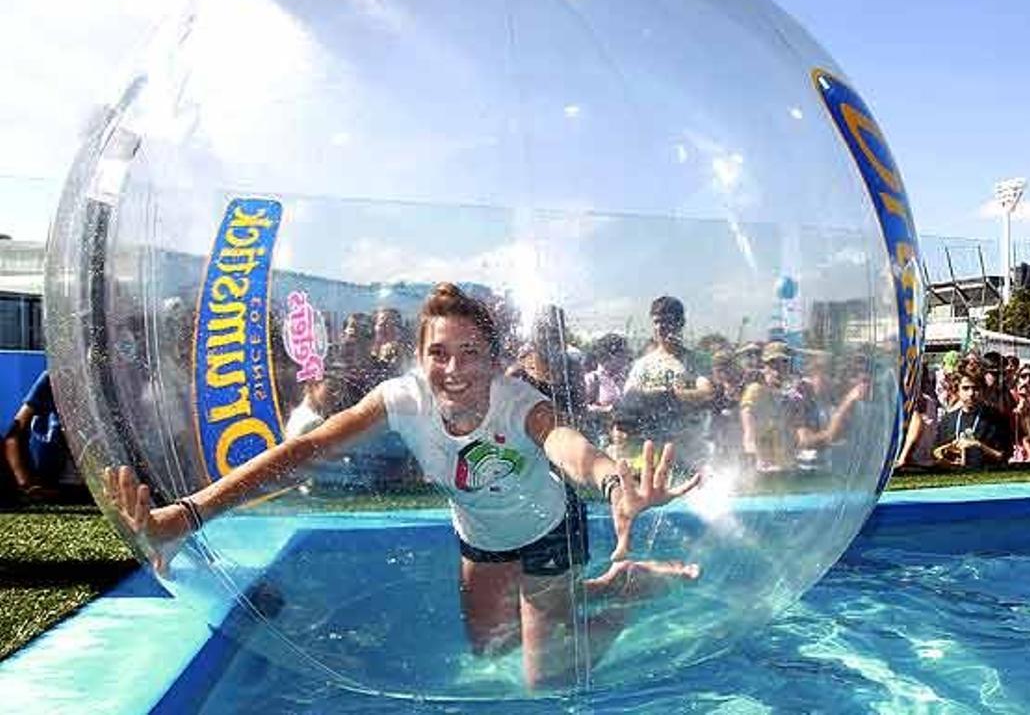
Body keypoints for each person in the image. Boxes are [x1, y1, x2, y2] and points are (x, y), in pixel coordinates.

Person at [104, 283, 701, 689]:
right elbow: (302, 450)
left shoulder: (520, 402)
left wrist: (615, 485)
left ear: (494, 359)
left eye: (471, 353)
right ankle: (599, 587)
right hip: (483, 537)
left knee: (543, 679)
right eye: (439, 353)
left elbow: (568, 446)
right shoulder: (403, 400)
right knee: (489, 651)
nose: (455, 369)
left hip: (549, 529)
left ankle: (622, 596)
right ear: (419, 357)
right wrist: (187, 514)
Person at [623, 296, 714, 472]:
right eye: (656, 322)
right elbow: (629, 404)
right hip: (654, 455)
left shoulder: (696, 361)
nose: (661, 327)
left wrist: (667, 396)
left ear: (680, 323)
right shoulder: (642, 365)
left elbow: (706, 393)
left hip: (692, 453)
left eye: (667, 321)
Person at [3, 371, 74, 501]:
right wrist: (26, 484)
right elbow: (14, 434)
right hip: (57, 484)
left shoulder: (116, 377)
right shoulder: (56, 377)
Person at [739, 341, 798, 472]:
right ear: (764, 367)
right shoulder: (755, 391)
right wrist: (755, 456)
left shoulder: (790, 397)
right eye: (773, 364)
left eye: (784, 364)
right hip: (763, 470)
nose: (778, 370)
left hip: (785, 468)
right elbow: (748, 427)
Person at [931, 372, 1011, 468]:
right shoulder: (947, 420)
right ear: (957, 391)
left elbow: (1003, 456)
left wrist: (978, 445)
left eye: (976, 388)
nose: (971, 394)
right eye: (965, 388)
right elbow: (936, 452)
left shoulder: (996, 419)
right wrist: (949, 452)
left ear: (983, 391)